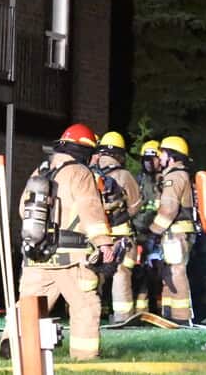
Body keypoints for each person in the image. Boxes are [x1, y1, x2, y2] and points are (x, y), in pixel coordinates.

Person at [2, 124, 115, 361]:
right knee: (85, 304)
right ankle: (84, 355)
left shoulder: (41, 171)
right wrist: (104, 243)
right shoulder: (80, 173)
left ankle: (13, 343)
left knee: (29, 304)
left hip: (37, 254)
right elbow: (90, 210)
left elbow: (25, 210)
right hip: (71, 259)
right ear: (84, 150)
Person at [91, 131, 141, 323]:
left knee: (92, 275)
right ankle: (123, 317)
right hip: (121, 236)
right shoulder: (124, 175)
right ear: (120, 154)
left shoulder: (89, 172)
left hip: (96, 236)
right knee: (121, 274)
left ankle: (88, 314)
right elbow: (135, 206)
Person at [147, 136, 196, 323]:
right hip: (176, 232)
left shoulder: (174, 177)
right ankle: (169, 315)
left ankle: (182, 318)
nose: (160, 158)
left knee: (176, 272)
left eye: (163, 153)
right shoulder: (177, 175)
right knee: (169, 273)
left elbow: (168, 209)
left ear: (172, 156)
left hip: (176, 233)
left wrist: (153, 231)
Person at [130, 140, 163, 315]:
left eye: (153, 158)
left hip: (159, 235)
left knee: (158, 275)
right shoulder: (138, 179)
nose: (149, 162)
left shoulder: (165, 180)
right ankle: (140, 312)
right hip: (139, 233)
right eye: (146, 158)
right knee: (139, 274)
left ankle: (157, 310)